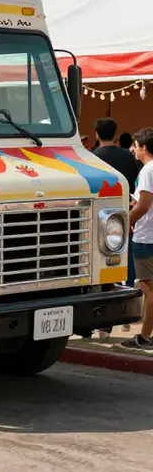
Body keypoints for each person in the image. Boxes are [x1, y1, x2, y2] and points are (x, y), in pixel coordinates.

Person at [91, 118, 140, 333]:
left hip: (100, 216)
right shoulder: (128, 157)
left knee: (101, 264)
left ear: (96, 134)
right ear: (116, 134)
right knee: (125, 260)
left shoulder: (92, 158)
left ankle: (103, 321)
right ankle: (125, 310)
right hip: (123, 214)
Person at [121, 127, 153, 349]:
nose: (133, 150)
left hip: (146, 237)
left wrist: (125, 223)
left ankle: (143, 337)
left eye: (135, 146)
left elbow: (143, 205)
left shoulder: (148, 171)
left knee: (148, 290)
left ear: (144, 148)